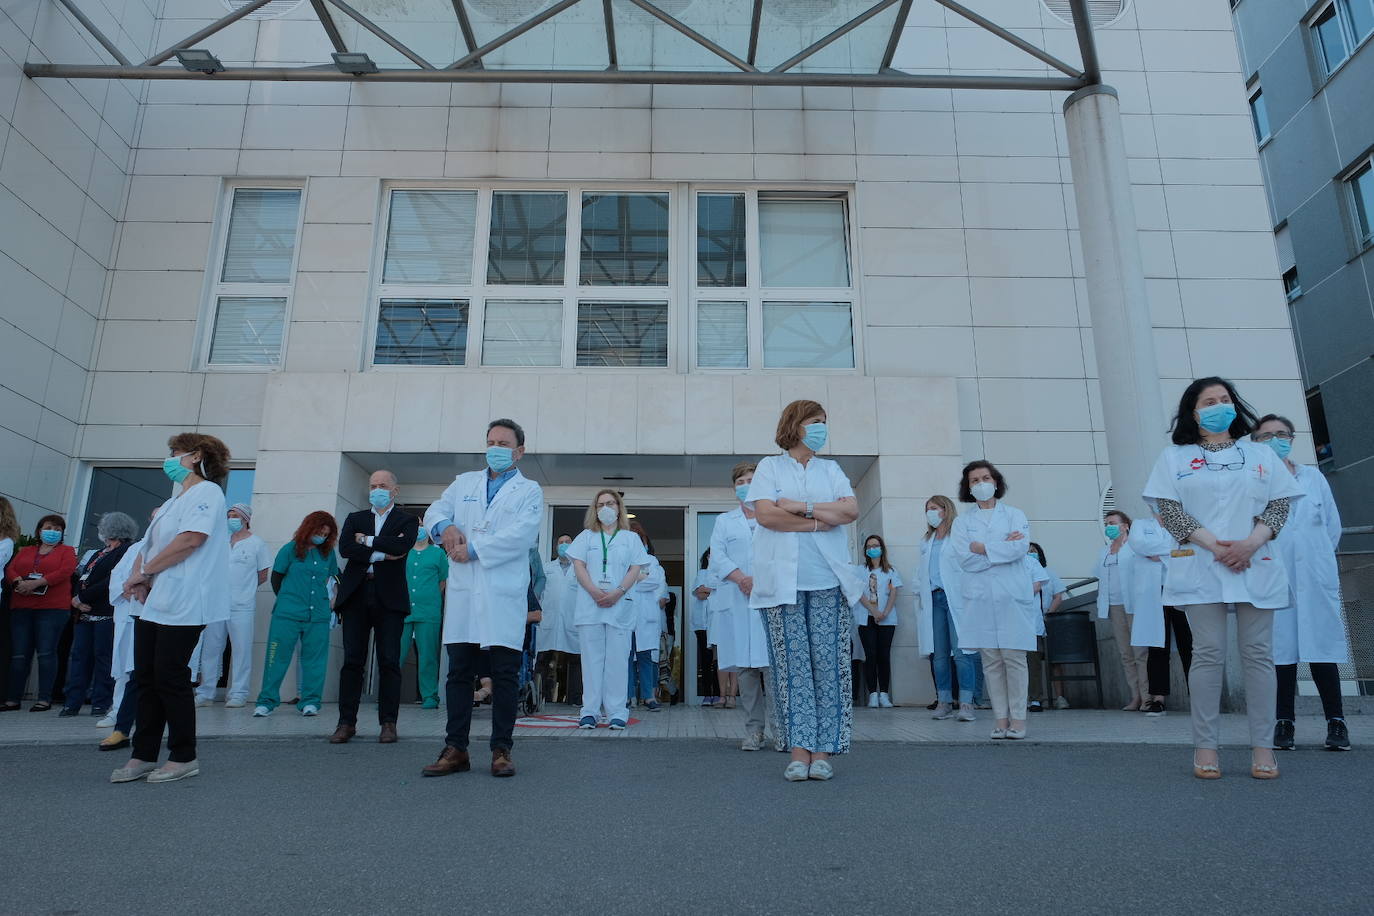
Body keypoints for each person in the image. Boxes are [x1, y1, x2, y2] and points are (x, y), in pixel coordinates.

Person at [1143, 377, 1302, 780]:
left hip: (1256, 560)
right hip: (1202, 564)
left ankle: (1263, 748)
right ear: (1193, 413)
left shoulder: (1260, 455)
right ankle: (1206, 746)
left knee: (1259, 656)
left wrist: (1249, 544)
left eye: (1225, 399)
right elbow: (1171, 510)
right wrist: (1218, 548)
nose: (1219, 405)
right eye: (1209, 401)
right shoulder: (1174, 458)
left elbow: (1280, 504)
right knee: (1208, 655)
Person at [746, 400, 863, 782]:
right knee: (791, 669)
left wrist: (799, 506)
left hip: (827, 581)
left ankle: (823, 752)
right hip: (782, 586)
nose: (822, 429)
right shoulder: (769, 467)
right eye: (816, 422)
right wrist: (816, 521)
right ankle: (798, 752)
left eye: (825, 423)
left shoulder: (831, 469)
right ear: (796, 425)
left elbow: (849, 512)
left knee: (828, 667)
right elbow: (766, 515)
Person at [422, 419, 543, 778]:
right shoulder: (464, 483)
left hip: (501, 593)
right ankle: (456, 748)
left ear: (519, 451)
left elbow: (520, 536)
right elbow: (434, 511)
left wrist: (474, 549)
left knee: (504, 675)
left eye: (504, 443)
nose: (496, 448)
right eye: (491, 441)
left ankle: (501, 750)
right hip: (463, 593)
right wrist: (446, 527)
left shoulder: (529, 490)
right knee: (459, 672)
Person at [111, 432, 231, 784]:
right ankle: (143, 754)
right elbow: (148, 547)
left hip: (186, 599)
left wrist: (146, 572)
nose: (169, 459)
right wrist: (141, 577)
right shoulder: (172, 501)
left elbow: (191, 540)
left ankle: (183, 755)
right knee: (145, 676)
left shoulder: (208, 493)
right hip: (157, 600)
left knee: (170, 676)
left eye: (174, 453)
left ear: (195, 456)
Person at [1253, 414, 1351, 752]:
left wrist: (1316, 559)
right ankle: (1284, 722)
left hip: (1313, 575)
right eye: (1266, 436)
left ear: (1292, 439)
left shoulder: (1313, 478)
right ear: (1256, 442)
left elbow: (1331, 527)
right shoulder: (1254, 481)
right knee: (1281, 654)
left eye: (1281, 434)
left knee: (1322, 649)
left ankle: (1336, 722)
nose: (1275, 440)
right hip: (1276, 578)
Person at [950, 460, 1037, 741]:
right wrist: (1000, 550)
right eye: (974, 480)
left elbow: (1020, 548)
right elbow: (965, 560)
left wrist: (984, 548)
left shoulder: (1015, 515)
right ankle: (1000, 720)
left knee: (1014, 658)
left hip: (1012, 596)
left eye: (985, 478)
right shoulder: (963, 522)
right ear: (968, 488)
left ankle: (1019, 721)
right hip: (981, 598)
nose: (981, 483)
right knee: (991, 661)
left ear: (996, 482)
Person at [331, 470, 418, 745]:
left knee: (390, 661)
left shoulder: (406, 520)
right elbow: (346, 548)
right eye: (373, 485)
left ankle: (388, 723)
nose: (377, 489)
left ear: (395, 490)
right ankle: (346, 722)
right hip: (357, 593)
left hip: (389, 597)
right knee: (352, 661)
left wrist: (366, 541)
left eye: (382, 485)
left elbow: (402, 546)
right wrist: (382, 553)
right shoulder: (355, 518)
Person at [567, 489, 650, 732]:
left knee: (617, 661)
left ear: (619, 508)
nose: (606, 507)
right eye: (601, 503)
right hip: (590, 605)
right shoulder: (586, 537)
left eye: (611, 503)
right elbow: (579, 567)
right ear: (594, 509)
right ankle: (589, 712)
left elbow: (635, 568)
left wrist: (618, 592)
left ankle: (616, 712)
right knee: (592, 662)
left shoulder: (630, 538)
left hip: (619, 605)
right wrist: (594, 591)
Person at [710, 461, 775, 750]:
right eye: (740, 481)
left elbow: (783, 555)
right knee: (747, 670)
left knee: (773, 669)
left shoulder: (773, 517)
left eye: (750, 479)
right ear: (734, 488)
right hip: (739, 598)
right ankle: (754, 731)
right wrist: (741, 579)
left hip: (769, 598)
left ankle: (782, 729)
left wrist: (758, 579)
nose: (745, 485)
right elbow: (718, 556)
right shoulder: (725, 521)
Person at [253, 511, 338, 718]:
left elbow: (331, 580)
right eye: (319, 532)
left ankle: (310, 702)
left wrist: (328, 604)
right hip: (287, 614)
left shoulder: (328, 554)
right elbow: (276, 580)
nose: (322, 537)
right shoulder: (289, 550)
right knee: (276, 658)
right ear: (308, 528)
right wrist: (288, 600)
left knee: (315, 661)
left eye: (326, 534)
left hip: (317, 615)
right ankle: (266, 701)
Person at [60, 512, 138, 717]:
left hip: (105, 613)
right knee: (79, 657)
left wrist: (83, 597)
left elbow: (110, 581)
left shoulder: (125, 550)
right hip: (85, 614)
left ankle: (100, 702)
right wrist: (77, 598)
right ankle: (72, 702)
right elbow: (83, 577)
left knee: (103, 658)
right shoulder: (99, 553)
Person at [194, 503, 271, 709]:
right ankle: (205, 692)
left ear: (245, 518)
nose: (231, 519)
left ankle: (239, 692)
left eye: (235, 515)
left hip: (242, 605)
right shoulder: (219, 542)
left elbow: (262, 575)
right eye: (229, 515)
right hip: (216, 604)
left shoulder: (257, 543)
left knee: (241, 650)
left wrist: (244, 591)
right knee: (210, 649)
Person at [4, 514, 79, 711]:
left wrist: (37, 583)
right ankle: (13, 698)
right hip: (22, 606)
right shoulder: (25, 550)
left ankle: (44, 699)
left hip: (52, 609)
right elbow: (10, 569)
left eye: (57, 529)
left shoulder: (67, 551)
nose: (53, 532)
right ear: (39, 530)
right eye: (49, 528)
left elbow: (65, 571)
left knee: (46, 653)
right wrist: (19, 583)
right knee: (19, 655)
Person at [916, 495, 977, 722]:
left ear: (945, 510)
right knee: (939, 655)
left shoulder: (959, 536)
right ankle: (944, 702)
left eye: (933, 508)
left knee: (962, 653)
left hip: (956, 600)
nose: (929, 513)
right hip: (934, 600)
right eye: (927, 509)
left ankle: (966, 703)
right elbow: (921, 573)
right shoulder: (926, 541)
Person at [1095, 511, 1153, 711]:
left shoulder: (1134, 548)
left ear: (1125, 525)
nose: (1108, 526)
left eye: (1112, 523)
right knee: (1125, 654)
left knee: (1140, 653)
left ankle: (1147, 697)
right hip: (1114, 606)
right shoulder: (1104, 551)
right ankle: (1135, 696)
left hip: (1134, 605)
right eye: (1106, 523)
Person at [401, 527, 447, 709]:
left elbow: (443, 579)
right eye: (415, 525)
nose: (418, 528)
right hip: (402, 610)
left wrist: (430, 597)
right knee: (394, 654)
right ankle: (387, 694)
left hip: (428, 611)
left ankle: (430, 696)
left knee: (428, 655)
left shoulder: (438, 554)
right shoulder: (402, 551)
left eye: (422, 525)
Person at [856, 534, 902, 709]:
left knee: (884, 656)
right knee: (871, 656)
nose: (872, 549)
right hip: (866, 618)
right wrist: (873, 610)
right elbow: (858, 593)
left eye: (875, 545)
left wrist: (885, 612)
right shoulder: (860, 571)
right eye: (869, 546)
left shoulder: (891, 571)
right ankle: (872, 695)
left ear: (882, 548)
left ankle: (884, 693)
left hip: (887, 619)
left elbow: (893, 593)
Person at [627, 521, 667, 711]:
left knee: (645, 657)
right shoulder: (623, 560)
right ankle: (628, 696)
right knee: (625, 657)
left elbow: (654, 582)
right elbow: (620, 582)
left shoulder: (652, 561)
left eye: (639, 538)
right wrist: (638, 578)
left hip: (646, 617)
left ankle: (648, 697)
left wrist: (631, 580)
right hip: (626, 614)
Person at [541, 534, 581, 705]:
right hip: (549, 619)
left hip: (572, 620)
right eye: (560, 542)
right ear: (555, 547)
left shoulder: (580, 569)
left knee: (575, 659)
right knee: (543, 658)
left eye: (567, 542)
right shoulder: (547, 568)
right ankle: (541, 697)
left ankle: (575, 698)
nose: (564, 545)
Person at [1022, 543, 1056, 712]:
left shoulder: (1038, 569)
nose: (1029, 554)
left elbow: (1035, 590)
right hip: (1014, 623)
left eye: (1033, 552)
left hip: (1033, 624)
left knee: (1033, 663)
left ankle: (1035, 699)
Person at [690, 549, 720, 706]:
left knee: (719, 659)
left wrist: (708, 589)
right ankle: (707, 694)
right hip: (702, 623)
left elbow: (705, 591)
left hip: (718, 621)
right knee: (706, 659)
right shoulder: (702, 573)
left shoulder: (723, 572)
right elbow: (699, 593)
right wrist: (715, 590)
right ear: (708, 556)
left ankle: (719, 694)